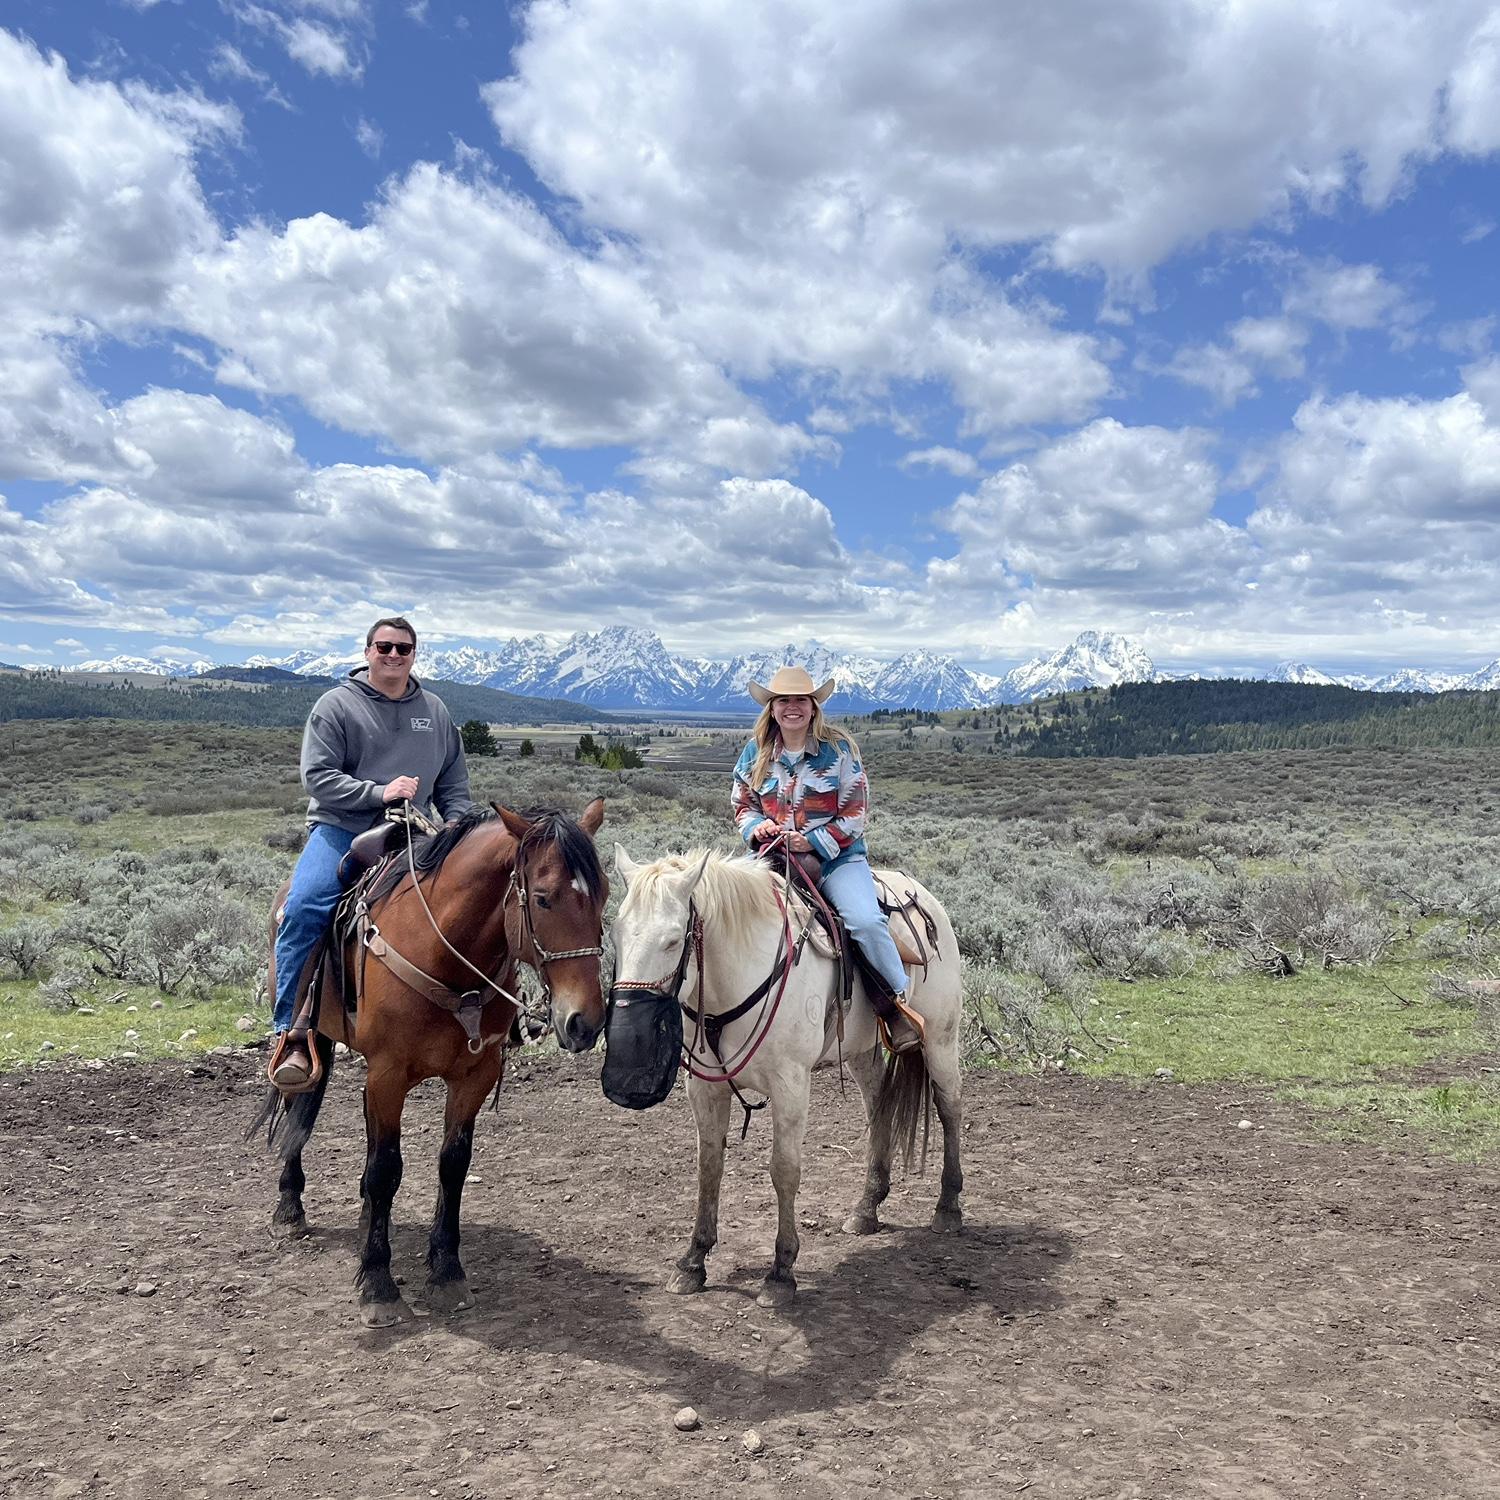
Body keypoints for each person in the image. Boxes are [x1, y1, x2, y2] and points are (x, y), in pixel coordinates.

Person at [269, 616, 476, 1088]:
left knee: (475, 899)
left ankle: (497, 1016)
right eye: (384, 647)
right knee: (303, 907)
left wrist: (460, 824)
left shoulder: (435, 711)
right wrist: (378, 793)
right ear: (367, 652)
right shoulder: (336, 706)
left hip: (413, 831)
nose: (394, 655)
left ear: (414, 655)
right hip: (343, 831)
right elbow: (317, 777)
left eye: (403, 648)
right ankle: (292, 1032)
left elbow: (453, 785)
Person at [730, 665, 919, 1053]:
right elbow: (743, 804)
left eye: (801, 700)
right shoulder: (756, 752)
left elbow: (855, 815)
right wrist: (757, 828)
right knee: (726, 916)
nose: (792, 708)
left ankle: (897, 1005)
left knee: (864, 922)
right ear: (773, 708)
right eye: (784, 701)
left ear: (813, 707)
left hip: (836, 860)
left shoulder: (840, 752)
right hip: (771, 857)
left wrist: (812, 842)